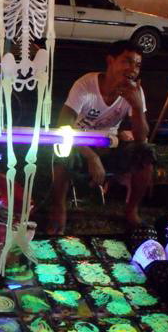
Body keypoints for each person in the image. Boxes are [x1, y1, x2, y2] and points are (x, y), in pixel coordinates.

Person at [47, 40, 156, 235]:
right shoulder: (86, 85)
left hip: (109, 144)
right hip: (78, 144)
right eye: (127, 61)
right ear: (110, 61)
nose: (133, 69)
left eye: (138, 65)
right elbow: (63, 126)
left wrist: (138, 107)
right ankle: (58, 208)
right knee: (61, 149)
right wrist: (91, 156)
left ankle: (131, 211)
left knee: (145, 153)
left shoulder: (134, 92)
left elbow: (141, 138)